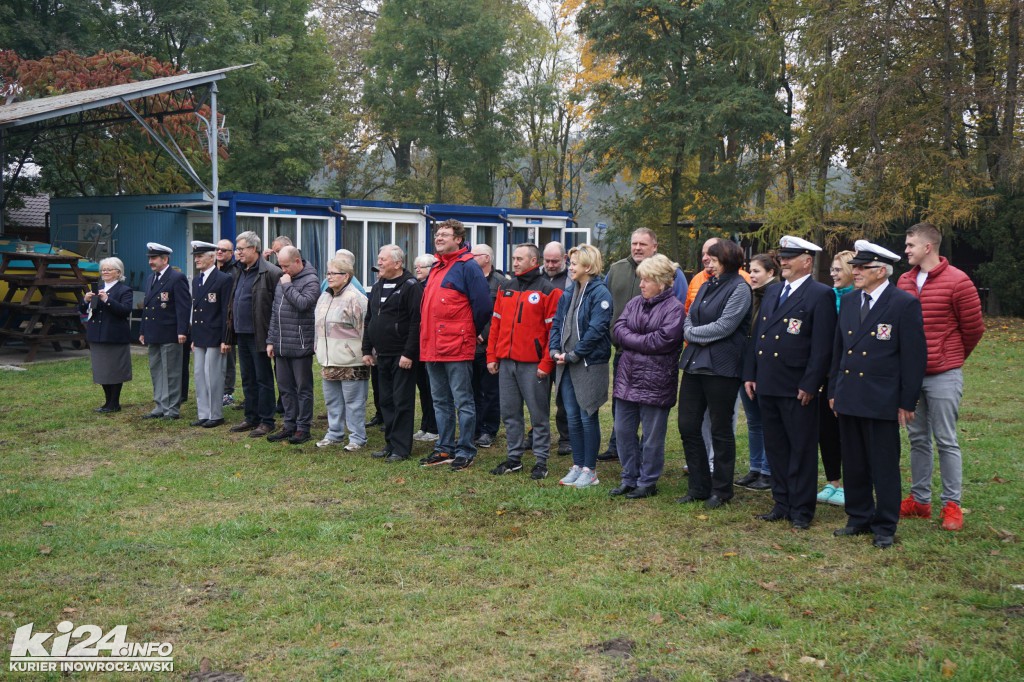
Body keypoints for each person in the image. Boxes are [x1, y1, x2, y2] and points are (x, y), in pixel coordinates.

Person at [829, 240, 926, 549]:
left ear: (881, 271)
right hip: (849, 394)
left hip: (881, 397)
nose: (855, 272)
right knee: (853, 461)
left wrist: (907, 401)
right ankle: (858, 516)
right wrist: (833, 389)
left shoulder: (902, 304)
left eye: (862, 267)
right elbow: (839, 350)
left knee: (883, 464)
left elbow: (913, 357)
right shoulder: (850, 300)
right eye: (855, 266)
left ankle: (885, 525)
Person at [744, 236, 837, 530]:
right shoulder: (773, 291)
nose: (782, 261)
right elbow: (758, 335)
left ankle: (801, 509)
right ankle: (781, 502)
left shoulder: (819, 294)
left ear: (807, 262)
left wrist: (810, 384)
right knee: (776, 447)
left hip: (796, 386)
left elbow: (822, 346)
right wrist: (751, 373)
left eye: (789, 257)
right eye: (782, 257)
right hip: (768, 382)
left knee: (801, 449)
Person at [898, 222, 985, 531]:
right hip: (910, 377)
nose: (906, 250)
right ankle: (920, 501)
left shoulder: (958, 281)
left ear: (928, 247)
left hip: (944, 375)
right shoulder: (905, 281)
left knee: (946, 440)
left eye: (910, 245)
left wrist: (949, 358)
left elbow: (973, 329)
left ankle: (952, 505)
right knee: (917, 438)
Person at [677, 239, 752, 509]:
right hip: (695, 363)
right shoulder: (707, 284)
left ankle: (721, 489)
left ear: (727, 260)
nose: (707, 261)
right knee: (687, 425)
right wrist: (691, 330)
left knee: (720, 429)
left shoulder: (740, 288)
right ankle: (698, 485)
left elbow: (725, 326)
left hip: (722, 367)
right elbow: (690, 315)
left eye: (713, 257)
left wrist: (692, 333)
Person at [601, 228, 687, 461]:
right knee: (622, 403)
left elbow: (676, 312)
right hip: (624, 353)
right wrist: (616, 334)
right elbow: (609, 309)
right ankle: (617, 446)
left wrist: (637, 339)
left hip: (657, 360)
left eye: (643, 244)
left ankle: (644, 458)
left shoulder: (672, 273)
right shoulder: (616, 269)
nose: (637, 248)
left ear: (654, 247)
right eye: (634, 243)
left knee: (650, 412)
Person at [609, 254, 685, 499]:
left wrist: (633, 341)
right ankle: (629, 477)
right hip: (628, 379)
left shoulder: (674, 309)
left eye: (646, 280)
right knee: (623, 431)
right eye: (640, 279)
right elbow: (618, 329)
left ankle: (647, 482)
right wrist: (641, 341)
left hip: (656, 382)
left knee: (652, 437)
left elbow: (663, 341)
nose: (641, 284)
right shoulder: (634, 303)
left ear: (661, 282)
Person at [419, 219, 492, 471]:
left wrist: (470, 331)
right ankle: (444, 448)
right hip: (432, 346)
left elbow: (483, 306)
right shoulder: (437, 267)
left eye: (445, 235)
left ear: (458, 239)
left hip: (456, 346)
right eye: (437, 234)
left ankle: (465, 449)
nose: (438, 238)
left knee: (463, 401)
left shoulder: (467, 266)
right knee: (440, 401)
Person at [487, 243, 563, 480]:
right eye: (514, 258)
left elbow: (553, 333)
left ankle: (541, 461)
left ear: (534, 261)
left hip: (533, 365)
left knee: (538, 415)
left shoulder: (549, 291)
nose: (515, 262)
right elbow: (496, 324)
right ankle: (514, 458)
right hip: (507, 363)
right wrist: (492, 356)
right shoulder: (506, 288)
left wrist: (546, 363)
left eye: (520, 259)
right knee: (510, 414)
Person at [550, 244, 612, 488]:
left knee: (587, 416)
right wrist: (554, 350)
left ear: (588, 266)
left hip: (588, 364)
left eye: (574, 263)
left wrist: (575, 354)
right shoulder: (569, 292)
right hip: (565, 363)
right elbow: (557, 324)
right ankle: (577, 465)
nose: (570, 267)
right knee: (572, 417)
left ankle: (590, 470)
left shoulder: (600, 294)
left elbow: (597, 330)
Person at [361, 245, 422, 462]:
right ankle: (390, 442)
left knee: (401, 401)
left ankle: (401, 448)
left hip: (402, 355)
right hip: (381, 354)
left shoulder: (411, 286)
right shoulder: (378, 285)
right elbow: (370, 319)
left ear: (397, 263)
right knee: (385, 400)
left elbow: (416, 322)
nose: (379, 262)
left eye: (383, 259)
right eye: (379, 258)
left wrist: (409, 353)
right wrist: (366, 349)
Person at [227, 231, 283, 438]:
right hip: (241, 333)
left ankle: (267, 421)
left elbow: (277, 306)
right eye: (237, 249)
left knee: (263, 378)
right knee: (247, 377)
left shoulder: (271, 272)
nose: (238, 252)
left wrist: (272, 337)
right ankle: (251, 417)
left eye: (241, 249)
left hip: (260, 334)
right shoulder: (239, 271)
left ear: (253, 248)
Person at [266, 246, 320, 445]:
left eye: (286, 266)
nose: (283, 270)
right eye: (280, 266)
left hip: (300, 344)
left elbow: (304, 304)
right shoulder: (284, 278)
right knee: (285, 388)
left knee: (302, 389)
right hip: (281, 343)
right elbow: (275, 312)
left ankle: (303, 427)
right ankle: (289, 425)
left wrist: (288, 285)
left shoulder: (311, 280)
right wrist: (271, 340)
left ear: (297, 261)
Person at [735, 253, 779, 491]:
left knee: (768, 421)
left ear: (771, 273)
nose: (751, 275)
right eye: (750, 270)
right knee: (753, 421)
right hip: (747, 365)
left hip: (766, 367)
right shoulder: (750, 295)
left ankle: (768, 470)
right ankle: (755, 467)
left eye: (756, 271)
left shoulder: (776, 295)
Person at [316, 256, 370, 450]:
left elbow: (365, 329)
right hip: (328, 359)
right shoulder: (324, 296)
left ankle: (357, 438)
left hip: (352, 361)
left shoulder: (356, 298)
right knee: (332, 401)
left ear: (346, 276)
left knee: (354, 403)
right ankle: (334, 434)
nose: (329, 277)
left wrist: (366, 353)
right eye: (328, 273)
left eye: (334, 273)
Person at [816, 250, 856, 507]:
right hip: (827, 375)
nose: (833, 274)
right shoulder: (828, 297)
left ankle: (851, 484)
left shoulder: (858, 299)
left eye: (838, 269)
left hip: (849, 375)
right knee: (826, 431)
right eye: (832, 269)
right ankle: (833, 481)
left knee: (846, 433)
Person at [139, 242, 191, 420]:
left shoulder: (176, 277)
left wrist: (182, 330)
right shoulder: (150, 278)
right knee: (157, 371)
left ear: (165, 259)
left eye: (154, 258)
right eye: (150, 258)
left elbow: (183, 307)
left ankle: (171, 409)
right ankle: (160, 406)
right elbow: (147, 307)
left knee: (171, 372)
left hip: (170, 332)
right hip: (153, 332)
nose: (150, 262)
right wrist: (143, 330)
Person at [80, 257, 133, 413]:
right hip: (97, 335)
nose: (105, 272)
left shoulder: (124, 290)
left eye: (109, 269)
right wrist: (85, 300)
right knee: (102, 370)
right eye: (103, 269)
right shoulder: (98, 288)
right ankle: (107, 402)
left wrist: (107, 300)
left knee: (114, 370)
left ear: (118, 272)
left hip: (114, 335)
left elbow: (125, 311)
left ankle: (114, 403)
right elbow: (83, 310)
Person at [190, 241, 233, 428]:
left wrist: (226, 338)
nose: (196, 260)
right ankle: (204, 413)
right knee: (199, 374)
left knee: (213, 375)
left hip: (215, 335)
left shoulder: (223, 279)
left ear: (212, 257)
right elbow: (196, 310)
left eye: (200, 256)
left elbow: (226, 311)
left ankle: (216, 414)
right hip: (200, 334)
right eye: (195, 257)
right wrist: (193, 337)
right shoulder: (196, 280)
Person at [470, 243, 505, 449]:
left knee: (490, 390)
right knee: (472, 390)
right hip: (469, 346)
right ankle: (474, 428)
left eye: (475, 255)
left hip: (489, 347)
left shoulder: (500, 282)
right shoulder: (469, 279)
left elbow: (500, 313)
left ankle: (488, 430)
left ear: (487, 258)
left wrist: (483, 333)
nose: (471, 258)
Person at [541, 241, 571, 455]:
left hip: (563, 346)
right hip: (540, 346)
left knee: (563, 396)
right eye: (547, 261)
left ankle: (566, 438)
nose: (550, 265)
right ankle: (536, 433)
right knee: (537, 395)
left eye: (555, 261)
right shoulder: (536, 278)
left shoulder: (572, 279)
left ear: (565, 259)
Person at [411, 254, 438, 442]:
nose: (418, 269)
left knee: (432, 388)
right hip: (419, 345)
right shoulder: (417, 287)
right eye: (416, 267)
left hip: (431, 343)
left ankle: (434, 428)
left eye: (422, 266)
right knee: (423, 388)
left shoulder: (431, 287)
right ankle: (425, 425)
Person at [215, 239, 239, 408]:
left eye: (224, 250)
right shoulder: (211, 269)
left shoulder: (235, 271)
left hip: (229, 319)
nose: (219, 252)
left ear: (231, 253)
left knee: (228, 356)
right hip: (212, 319)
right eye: (218, 249)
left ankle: (227, 392)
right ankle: (215, 388)